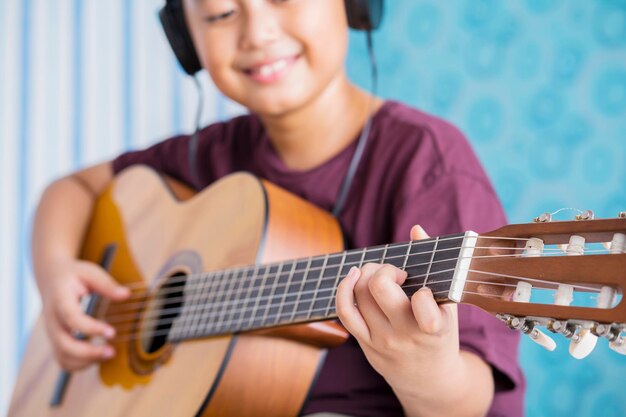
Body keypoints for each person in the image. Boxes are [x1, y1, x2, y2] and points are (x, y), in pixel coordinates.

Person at [31, 0, 524, 416]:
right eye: (221, 13)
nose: (257, 33)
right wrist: (56, 274)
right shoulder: (209, 156)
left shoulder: (426, 162)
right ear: (185, 39)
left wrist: (426, 371)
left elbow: (470, 399)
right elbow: (72, 188)